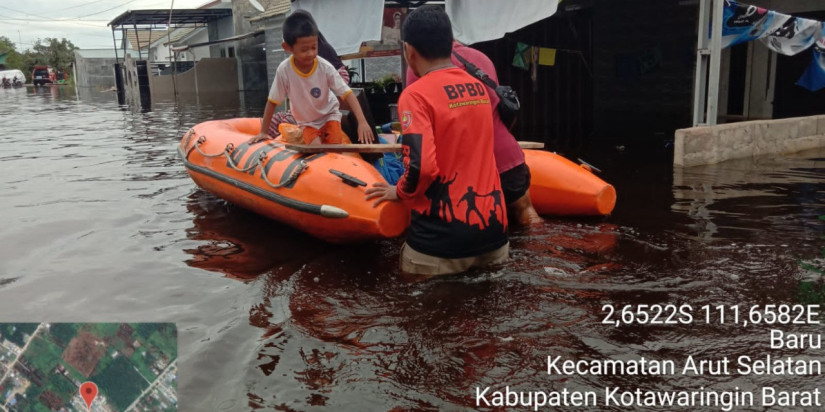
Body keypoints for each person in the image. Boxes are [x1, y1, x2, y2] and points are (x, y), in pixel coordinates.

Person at [365, 5, 509, 276]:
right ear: (449, 43)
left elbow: (423, 167)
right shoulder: (477, 87)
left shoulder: (415, 95)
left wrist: (399, 191)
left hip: (439, 241)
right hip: (493, 233)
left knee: (420, 312)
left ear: (409, 51)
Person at [406, 41, 541, 226]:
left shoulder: (422, 67)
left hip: (471, 171)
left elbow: (424, 130)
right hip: (509, 158)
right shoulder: (481, 58)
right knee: (526, 213)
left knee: (476, 226)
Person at [250, 11, 372, 145]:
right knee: (316, 147)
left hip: (328, 115)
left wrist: (362, 122)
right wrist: (263, 131)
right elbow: (272, 101)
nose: (311, 53)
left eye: (314, 47)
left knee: (334, 144)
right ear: (288, 47)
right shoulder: (284, 70)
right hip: (307, 122)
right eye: (304, 50)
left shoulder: (324, 67)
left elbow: (347, 93)